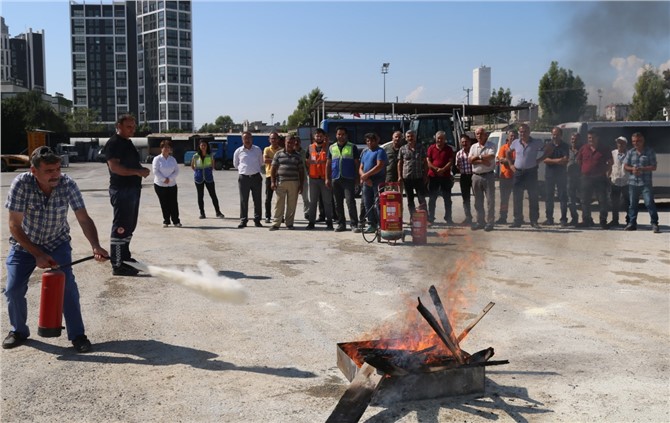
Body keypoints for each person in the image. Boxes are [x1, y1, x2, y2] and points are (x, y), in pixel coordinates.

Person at [3, 146, 109, 352]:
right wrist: (37, 254)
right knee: (13, 290)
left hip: (57, 242)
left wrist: (96, 246)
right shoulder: (21, 184)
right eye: (49, 171)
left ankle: (78, 335)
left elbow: (83, 218)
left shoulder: (68, 184)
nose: (56, 175)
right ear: (34, 171)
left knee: (68, 288)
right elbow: (14, 225)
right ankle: (18, 331)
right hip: (24, 245)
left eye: (58, 169)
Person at [104, 114, 150, 276]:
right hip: (121, 190)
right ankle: (117, 264)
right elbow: (115, 168)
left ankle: (125, 258)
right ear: (119, 126)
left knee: (130, 226)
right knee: (121, 227)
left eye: (134, 126)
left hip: (132, 189)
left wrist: (140, 170)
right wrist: (138, 171)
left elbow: (130, 163)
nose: (132, 129)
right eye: (129, 126)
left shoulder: (127, 143)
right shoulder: (114, 143)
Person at [507, 123, 547, 228]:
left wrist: (540, 160)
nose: (522, 134)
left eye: (525, 131)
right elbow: (508, 152)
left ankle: (534, 221)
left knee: (533, 197)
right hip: (518, 173)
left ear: (529, 132)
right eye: (521, 132)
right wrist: (511, 164)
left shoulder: (536, 142)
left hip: (531, 172)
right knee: (517, 197)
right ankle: (517, 220)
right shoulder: (515, 142)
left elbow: (549, 149)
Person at [326, 126, 361, 233]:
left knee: (350, 201)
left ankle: (354, 224)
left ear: (346, 135)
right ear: (336, 135)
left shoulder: (352, 147)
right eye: (338, 134)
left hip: (348, 178)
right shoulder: (332, 147)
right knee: (337, 203)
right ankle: (341, 224)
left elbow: (356, 164)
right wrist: (327, 178)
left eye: (343, 134)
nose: (340, 136)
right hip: (335, 178)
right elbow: (328, 164)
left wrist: (357, 178)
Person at [624, 132, 660, 233]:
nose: (636, 143)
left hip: (645, 183)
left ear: (643, 141)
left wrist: (642, 169)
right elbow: (625, 166)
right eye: (634, 141)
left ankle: (654, 223)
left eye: (638, 141)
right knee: (632, 205)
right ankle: (632, 223)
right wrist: (632, 169)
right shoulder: (630, 152)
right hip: (633, 183)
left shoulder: (650, 152)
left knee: (649, 203)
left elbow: (654, 167)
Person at [576, 130, 612, 229]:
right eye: (589, 138)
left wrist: (606, 172)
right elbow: (579, 160)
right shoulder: (584, 148)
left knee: (602, 201)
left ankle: (603, 221)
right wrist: (583, 170)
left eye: (592, 137)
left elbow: (610, 162)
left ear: (597, 138)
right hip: (586, 178)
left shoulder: (604, 148)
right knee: (585, 200)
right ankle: (586, 220)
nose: (590, 140)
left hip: (600, 178)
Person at [269, 135, 305, 231]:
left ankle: (289, 223)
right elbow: (273, 168)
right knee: (279, 203)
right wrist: (273, 181)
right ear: (285, 142)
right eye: (288, 142)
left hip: (294, 182)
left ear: (294, 144)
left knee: (292, 204)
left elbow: (301, 171)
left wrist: (301, 185)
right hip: (280, 182)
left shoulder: (298, 156)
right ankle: (276, 223)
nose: (290, 144)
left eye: (292, 143)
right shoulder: (278, 154)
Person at [233, 131, 264, 228]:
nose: (247, 140)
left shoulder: (257, 150)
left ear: (252, 139)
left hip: (256, 177)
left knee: (257, 200)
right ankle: (243, 220)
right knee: (243, 200)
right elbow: (236, 164)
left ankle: (257, 220)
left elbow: (261, 162)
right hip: (244, 178)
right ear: (242, 140)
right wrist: (244, 171)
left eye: (249, 138)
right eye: (245, 138)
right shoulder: (238, 151)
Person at [468, 127, 497, 231]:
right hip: (476, 176)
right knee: (478, 201)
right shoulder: (473, 147)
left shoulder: (491, 145)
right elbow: (470, 160)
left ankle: (490, 222)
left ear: (485, 135)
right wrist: (482, 160)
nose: (479, 136)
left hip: (488, 176)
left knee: (490, 201)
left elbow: (491, 157)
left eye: (481, 133)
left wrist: (477, 158)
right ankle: (480, 222)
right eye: (477, 134)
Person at [359, 132, 387, 233]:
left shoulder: (380, 151)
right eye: (368, 141)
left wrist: (367, 175)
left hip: (377, 181)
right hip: (367, 182)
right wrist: (364, 177)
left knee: (378, 204)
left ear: (376, 141)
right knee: (367, 203)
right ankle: (372, 224)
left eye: (372, 140)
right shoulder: (365, 152)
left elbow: (379, 166)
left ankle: (381, 225)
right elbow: (361, 167)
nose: (370, 142)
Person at [306, 128, 334, 230]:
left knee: (327, 202)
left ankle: (329, 222)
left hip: (325, 179)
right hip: (313, 179)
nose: (319, 137)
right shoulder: (310, 147)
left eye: (321, 136)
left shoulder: (329, 148)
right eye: (317, 136)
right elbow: (307, 161)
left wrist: (329, 178)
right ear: (314, 137)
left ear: (324, 137)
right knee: (313, 202)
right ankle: (311, 223)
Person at [543, 127, 570, 226]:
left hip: (561, 175)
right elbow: (545, 160)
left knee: (563, 197)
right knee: (549, 197)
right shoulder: (548, 145)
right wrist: (558, 161)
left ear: (561, 135)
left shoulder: (565, 146)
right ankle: (549, 219)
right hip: (550, 175)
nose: (555, 136)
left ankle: (563, 219)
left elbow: (565, 160)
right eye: (553, 134)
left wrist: (553, 161)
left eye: (557, 134)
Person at [397, 130, 428, 217]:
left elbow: (425, 162)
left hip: (419, 177)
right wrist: (399, 176)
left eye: (412, 136)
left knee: (421, 198)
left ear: (415, 137)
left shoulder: (421, 148)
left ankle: (425, 218)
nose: (410, 138)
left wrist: (425, 175)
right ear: (406, 138)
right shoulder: (402, 149)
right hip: (407, 177)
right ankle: (413, 217)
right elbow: (400, 163)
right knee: (410, 199)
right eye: (408, 137)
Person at [426, 130, 454, 224]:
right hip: (433, 177)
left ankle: (448, 218)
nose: (440, 140)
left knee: (447, 198)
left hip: (445, 176)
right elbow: (428, 161)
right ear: (435, 138)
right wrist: (436, 169)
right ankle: (431, 218)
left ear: (445, 139)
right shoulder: (431, 148)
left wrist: (443, 170)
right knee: (432, 198)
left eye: (442, 139)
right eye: (438, 138)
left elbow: (450, 161)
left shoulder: (449, 149)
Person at [191, 140, 224, 220]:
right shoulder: (195, 156)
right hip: (199, 178)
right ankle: (202, 213)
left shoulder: (210, 156)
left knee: (213, 195)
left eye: (204, 145)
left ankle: (218, 212)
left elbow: (212, 165)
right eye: (201, 145)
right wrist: (198, 172)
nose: (203, 147)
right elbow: (192, 166)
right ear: (199, 146)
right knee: (200, 196)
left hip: (208, 177)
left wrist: (208, 171)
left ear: (207, 146)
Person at [152, 140, 181, 228]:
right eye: (164, 147)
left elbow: (177, 170)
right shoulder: (157, 159)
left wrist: (170, 179)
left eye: (168, 147)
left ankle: (176, 221)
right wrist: (164, 179)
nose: (166, 149)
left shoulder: (173, 159)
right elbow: (155, 171)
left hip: (172, 184)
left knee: (173, 203)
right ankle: (166, 220)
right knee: (164, 203)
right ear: (161, 148)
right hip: (160, 185)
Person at [608, 136, 630, 228]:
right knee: (614, 202)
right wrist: (608, 175)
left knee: (627, 202)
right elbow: (610, 165)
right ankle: (615, 220)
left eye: (622, 143)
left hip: (626, 181)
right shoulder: (613, 153)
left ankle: (629, 220)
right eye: (618, 143)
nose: (620, 144)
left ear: (625, 144)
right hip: (615, 181)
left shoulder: (629, 154)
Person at [496, 129, 516, 224]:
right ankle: (503, 217)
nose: (513, 137)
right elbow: (501, 160)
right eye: (511, 136)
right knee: (504, 199)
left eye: (514, 136)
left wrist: (508, 160)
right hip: (505, 177)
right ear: (508, 137)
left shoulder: (519, 148)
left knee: (517, 198)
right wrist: (513, 161)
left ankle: (518, 218)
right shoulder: (503, 148)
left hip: (516, 177)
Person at [455, 134, 474, 225]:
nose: (464, 143)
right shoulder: (458, 154)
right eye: (462, 142)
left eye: (466, 141)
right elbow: (457, 166)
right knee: (466, 199)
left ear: (469, 142)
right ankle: (468, 217)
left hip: (474, 176)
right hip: (464, 177)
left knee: (478, 197)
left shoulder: (474, 152)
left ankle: (480, 217)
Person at [263, 132, 282, 223]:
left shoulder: (282, 150)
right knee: (268, 198)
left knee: (280, 198)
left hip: (280, 176)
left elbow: (282, 161)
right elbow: (265, 160)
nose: (273, 140)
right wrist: (276, 160)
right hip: (269, 176)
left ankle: (280, 216)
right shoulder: (266, 149)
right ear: (269, 140)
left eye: (275, 138)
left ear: (278, 139)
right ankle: (267, 216)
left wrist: (272, 160)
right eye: (272, 138)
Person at [566, 133, 582, 226]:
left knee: (584, 199)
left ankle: (587, 219)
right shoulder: (567, 150)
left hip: (581, 177)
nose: (573, 141)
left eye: (575, 139)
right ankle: (574, 218)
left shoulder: (583, 149)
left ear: (579, 140)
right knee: (570, 200)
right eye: (572, 139)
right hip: (569, 177)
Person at [294, 136, 310, 220]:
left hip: (303, 178)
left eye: (298, 142)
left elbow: (307, 164)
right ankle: (290, 213)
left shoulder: (304, 152)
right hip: (293, 178)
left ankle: (307, 212)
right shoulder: (291, 152)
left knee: (305, 198)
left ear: (300, 143)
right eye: (295, 141)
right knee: (292, 198)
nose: (296, 143)